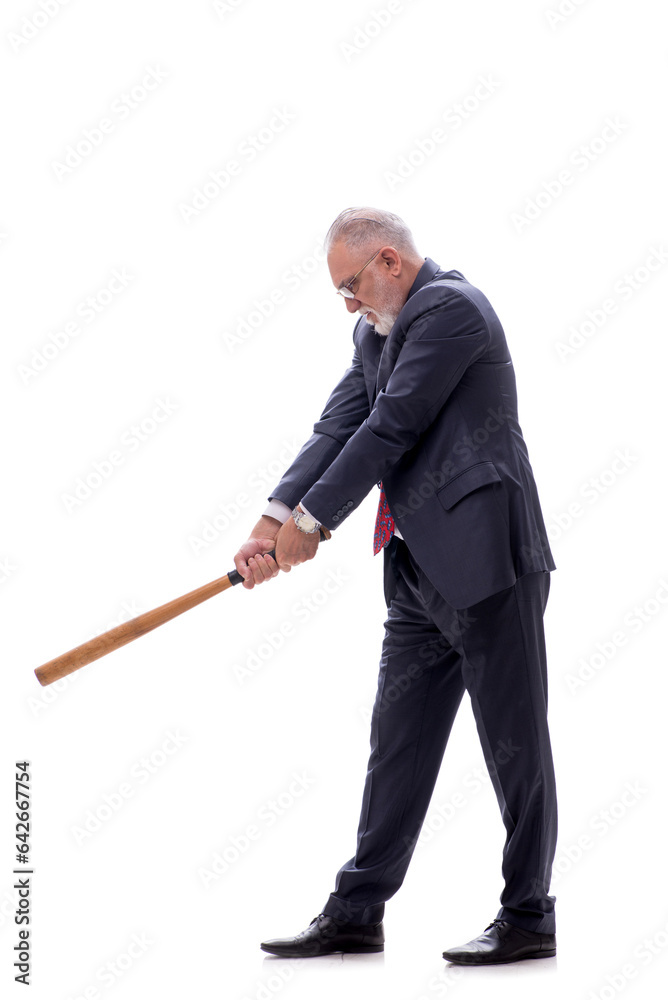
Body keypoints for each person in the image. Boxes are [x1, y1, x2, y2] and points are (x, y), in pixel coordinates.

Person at [233, 208, 558, 966]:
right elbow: (338, 427)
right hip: (414, 569)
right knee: (397, 744)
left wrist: (312, 522)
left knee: (514, 746)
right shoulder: (373, 333)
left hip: (489, 562)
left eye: (351, 285)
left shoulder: (452, 311)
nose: (348, 304)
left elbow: (392, 426)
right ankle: (356, 911)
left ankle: (529, 916)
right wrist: (270, 520)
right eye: (340, 293)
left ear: (388, 260)